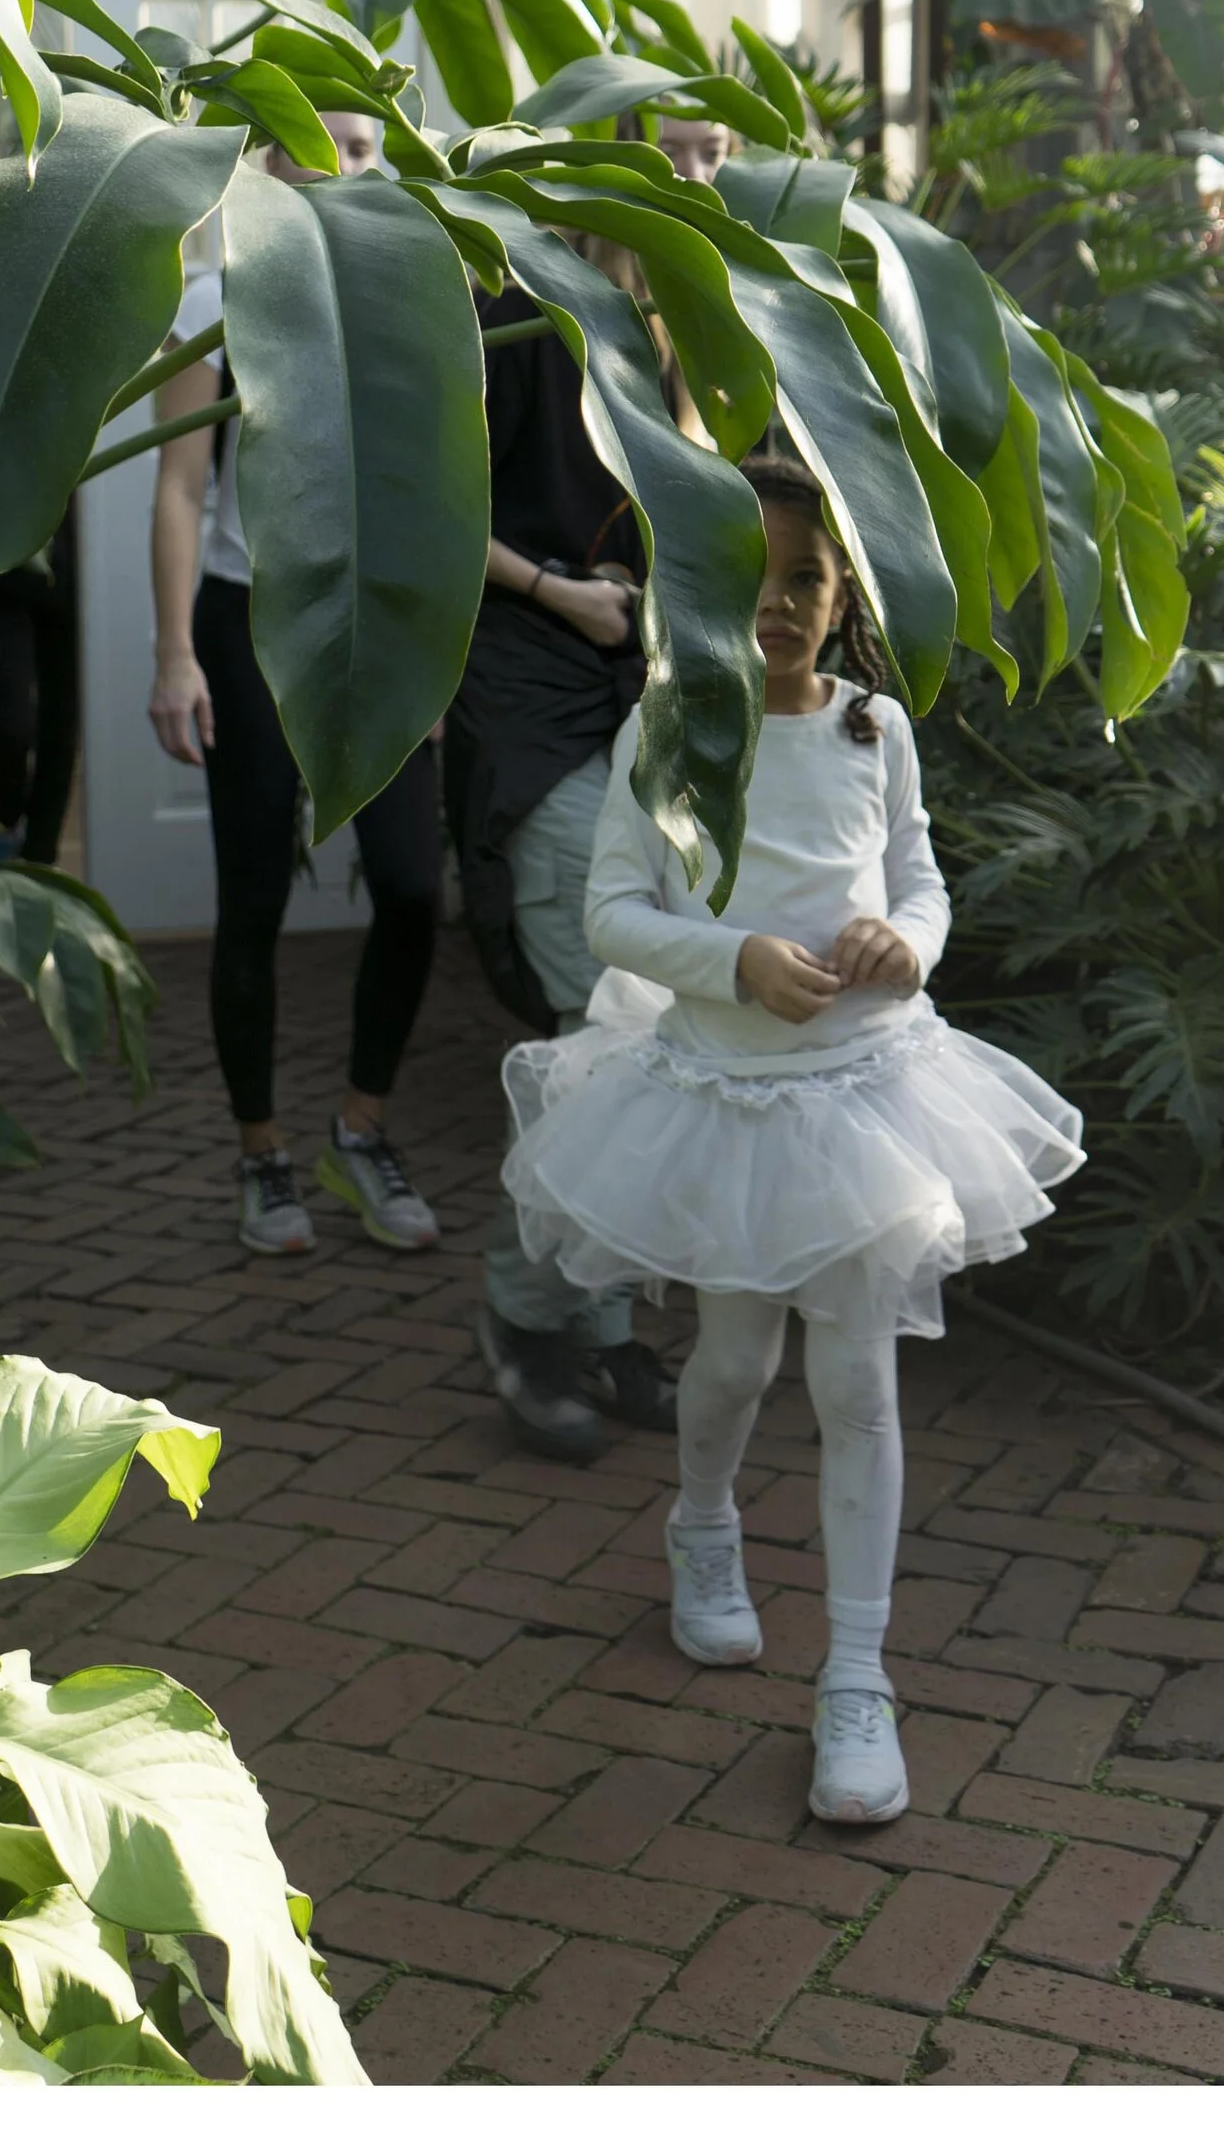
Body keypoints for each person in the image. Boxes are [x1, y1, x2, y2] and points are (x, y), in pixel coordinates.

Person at [497, 455, 1086, 1823]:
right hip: (728, 1095)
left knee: (858, 1384)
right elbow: (613, 913)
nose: (776, 603)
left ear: (844, 596)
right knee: (736, 1360)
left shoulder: (876, 730)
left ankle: (857, 1680)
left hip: (868, 1095)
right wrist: (735, 960)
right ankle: (703, 1521)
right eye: (747, 579)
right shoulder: (667, 731)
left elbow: (921, 878)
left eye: (805, 578)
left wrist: (906, 943)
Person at [459, 111, 735, 1463]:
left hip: (640, 718)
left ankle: (608, 1324)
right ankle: (526, 1321)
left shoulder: (679, 339)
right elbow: (431, 503)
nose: (694, 176)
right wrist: (556, 592)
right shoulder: (520, 315)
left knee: (640, 1033)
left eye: (715, 153)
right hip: (535, 704)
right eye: (671, 147)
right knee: (600, 1033)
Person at [148, 112, 445, 1258]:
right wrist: (174, 653)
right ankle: (262, 1153)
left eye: (365, 146)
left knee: (412, 889)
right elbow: (181, 490)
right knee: (254, 897)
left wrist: (429, 654)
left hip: (378, 626)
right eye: (319, 141)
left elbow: (429, 491)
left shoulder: (410, 303)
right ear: (267, 159)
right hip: (248, 622)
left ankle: (359, 1131)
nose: (344, 164)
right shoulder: (210, 303)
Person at [0, 508, 80, 866]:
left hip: (70, 572)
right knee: (11, 723)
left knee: (61, 722)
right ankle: (7, 824)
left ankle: (41, 853)